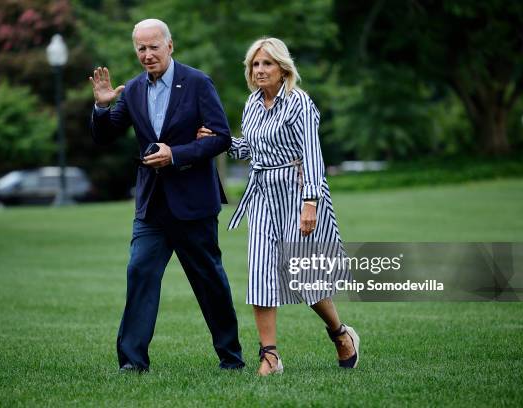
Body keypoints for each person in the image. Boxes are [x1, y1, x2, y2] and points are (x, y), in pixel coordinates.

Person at [89, 18, 244, 372]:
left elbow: (220, 137)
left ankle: (231, 357)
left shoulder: (198, 83)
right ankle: (132, 362)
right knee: (139, 272)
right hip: (152, 206)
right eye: (140, 49)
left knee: (209, 282)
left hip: (193, 203)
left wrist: (176, 154)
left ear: (170, 46)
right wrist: (100, 107)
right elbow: (105, 135)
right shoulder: (132, 92)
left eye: (153, 47)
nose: (146, 55)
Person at [197, 37, 359, 376]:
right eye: (254, 65)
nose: (259, 71)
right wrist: (219, 141)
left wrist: (310, 203)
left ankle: (341, 334)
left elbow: (313, 156)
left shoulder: (299, 102)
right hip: (262, 196)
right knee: (259, 275)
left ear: (283, 68)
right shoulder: (252, 104)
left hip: (299, 191)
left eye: (266, 64)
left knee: (304, 278)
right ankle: (269, 356)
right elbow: (252, 150)